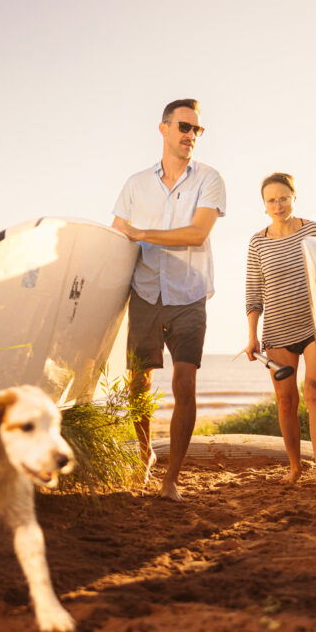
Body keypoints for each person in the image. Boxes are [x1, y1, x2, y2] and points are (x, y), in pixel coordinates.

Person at [111, 99, 226, 502]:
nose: (190, 135)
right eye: (183, 127)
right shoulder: (135, 184)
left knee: (185, 381)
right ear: (163, 129)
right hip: (144, 292)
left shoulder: (209, 179)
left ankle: (171, 478)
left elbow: (196, 234)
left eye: (196, 129)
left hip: (189, 294)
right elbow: (116, 237)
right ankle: (144, 456)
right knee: (137, 383)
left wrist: (141, 233)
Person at [243, 172, 316, 488]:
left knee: (315, 392)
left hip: (315, 326)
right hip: (278, 330)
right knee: (285, 400)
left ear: (294, 197)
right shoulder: (258, 242)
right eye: (271, 200)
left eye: (283, 197)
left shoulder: (313, 232)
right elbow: (254, 292)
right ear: (264, 205)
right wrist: (252, 335)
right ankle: (296, 467)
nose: (278, 204)